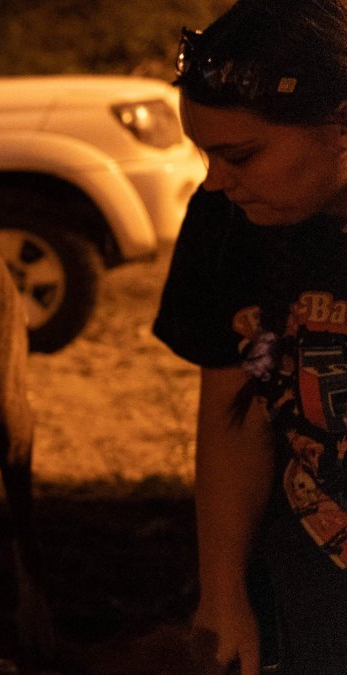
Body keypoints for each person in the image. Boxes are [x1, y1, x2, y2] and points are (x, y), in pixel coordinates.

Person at [153, 0, 347, 672]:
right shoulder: (224, 223)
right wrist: (223, 590)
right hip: (309, 594)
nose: (213, 179)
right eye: (205, 152)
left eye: (240, 153)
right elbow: (233, 408)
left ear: (342, 127)